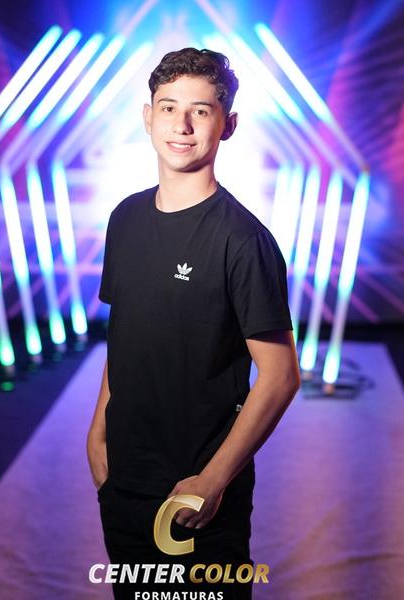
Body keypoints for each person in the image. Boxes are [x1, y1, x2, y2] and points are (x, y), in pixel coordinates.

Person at [87, 47, 301, 599]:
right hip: (123, 481)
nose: (181, 126)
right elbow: (126, 335)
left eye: (200, 111)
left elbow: (280, 376)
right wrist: (98, 431)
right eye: (169, 108)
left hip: (196, 493)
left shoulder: (244, 241)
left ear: (228, 125)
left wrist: (214, 479)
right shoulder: (125, 218)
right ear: (148, 117)